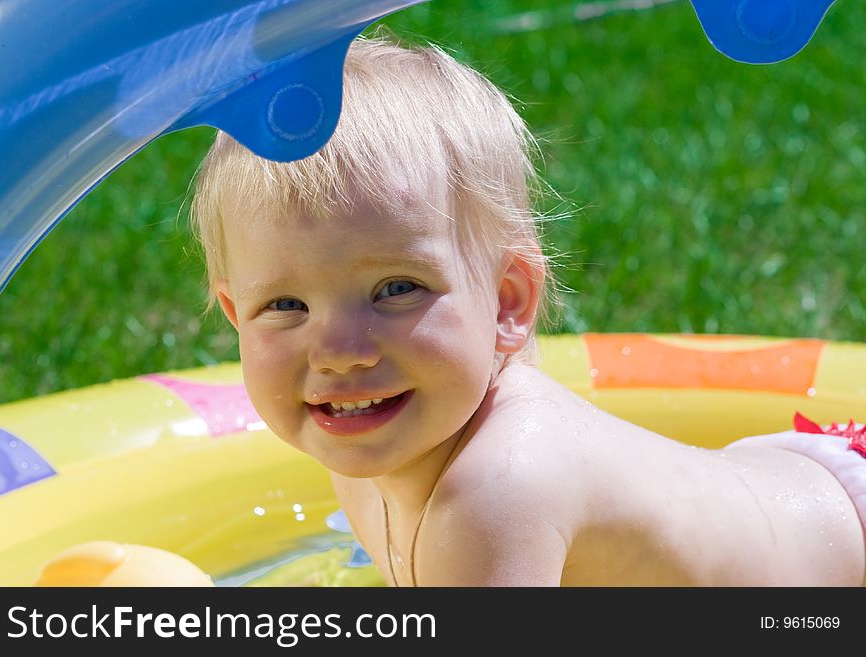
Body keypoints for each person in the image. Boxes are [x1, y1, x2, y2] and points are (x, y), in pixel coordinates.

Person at [190, 35, 865, 586]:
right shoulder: (360, 439)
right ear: (234, 313)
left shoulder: (498, 489)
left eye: (397, 289)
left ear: (508, 301)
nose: (338, 349)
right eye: (285, 304)